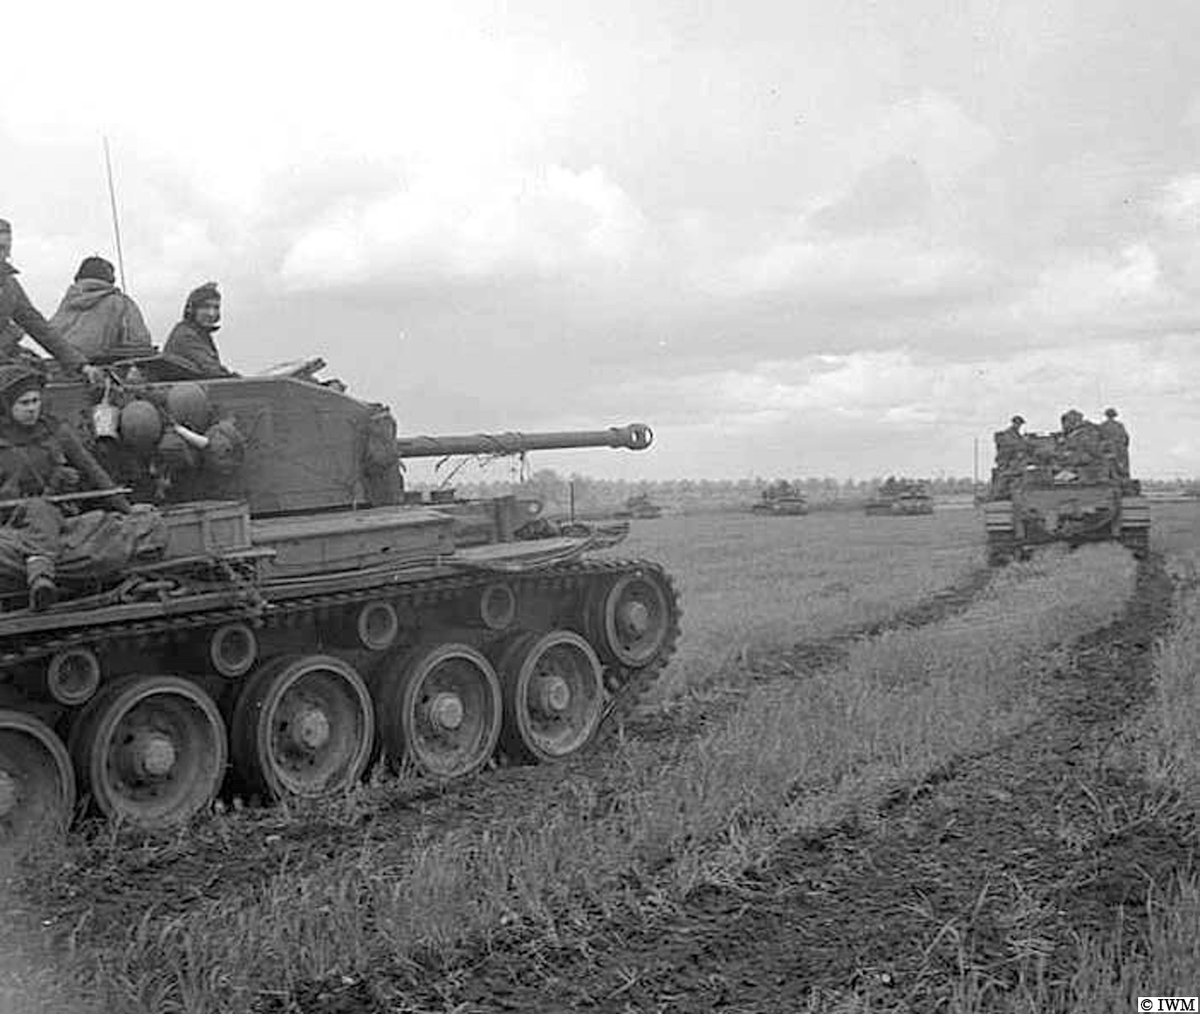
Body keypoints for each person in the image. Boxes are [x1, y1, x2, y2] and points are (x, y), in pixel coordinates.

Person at [0, 218, 97, 379]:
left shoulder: (10, 286)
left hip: (5, 356)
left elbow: (38, 326)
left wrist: (80, 365)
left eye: (3, 248)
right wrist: (11, 335)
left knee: (39, 375)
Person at [50, 256, 153, 362]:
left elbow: (51, 336)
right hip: (102, 369)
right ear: (110, 279)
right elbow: (140, 343)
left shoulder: (67, 303)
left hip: (61, 367)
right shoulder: (121, 302)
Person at [162, 282, 237, 378]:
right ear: (191, 309)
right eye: (205, 307)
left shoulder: (199, 334)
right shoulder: (187, 335)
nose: (211, 313)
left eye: (216, 307)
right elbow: (213, 371)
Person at [1098, 406, 1130, 481]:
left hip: (1108, 449)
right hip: (1118, 448)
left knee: (1109, 464)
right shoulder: (1119, 426)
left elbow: (1099, 439)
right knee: (1120, 465)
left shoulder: (1102, 426)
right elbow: (1126, 438)